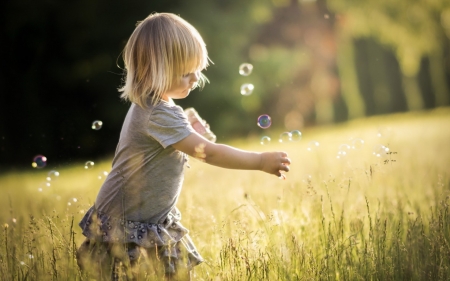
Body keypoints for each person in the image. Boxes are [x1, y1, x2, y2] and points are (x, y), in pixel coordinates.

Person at [76, 12, 291, 281]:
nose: (195, 79)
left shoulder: (152, 104)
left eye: (197, 71)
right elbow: (208, 153)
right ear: (155, 70)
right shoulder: (159, 113)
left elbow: (184, 143)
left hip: (146, 220)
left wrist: (189, 130)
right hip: (131, 228)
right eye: (186, 73)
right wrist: (260, 161)